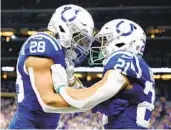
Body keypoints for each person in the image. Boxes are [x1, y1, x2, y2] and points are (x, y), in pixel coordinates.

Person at [51, 19, 156, 129]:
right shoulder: (137, 64)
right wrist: (72, 82)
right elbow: (93, 97)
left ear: (121, 41)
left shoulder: (124, 58)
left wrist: (60, 86)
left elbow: (85, 99)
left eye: (105, 41)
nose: (101, 47)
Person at [9, 4, 95, 129]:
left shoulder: (61, 55)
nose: (81, 45)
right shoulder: (44, 44)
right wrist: (91, 103)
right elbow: (48, 102)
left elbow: (77, 91)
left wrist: (103, 96)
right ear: (65, 29)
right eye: (79, 38)